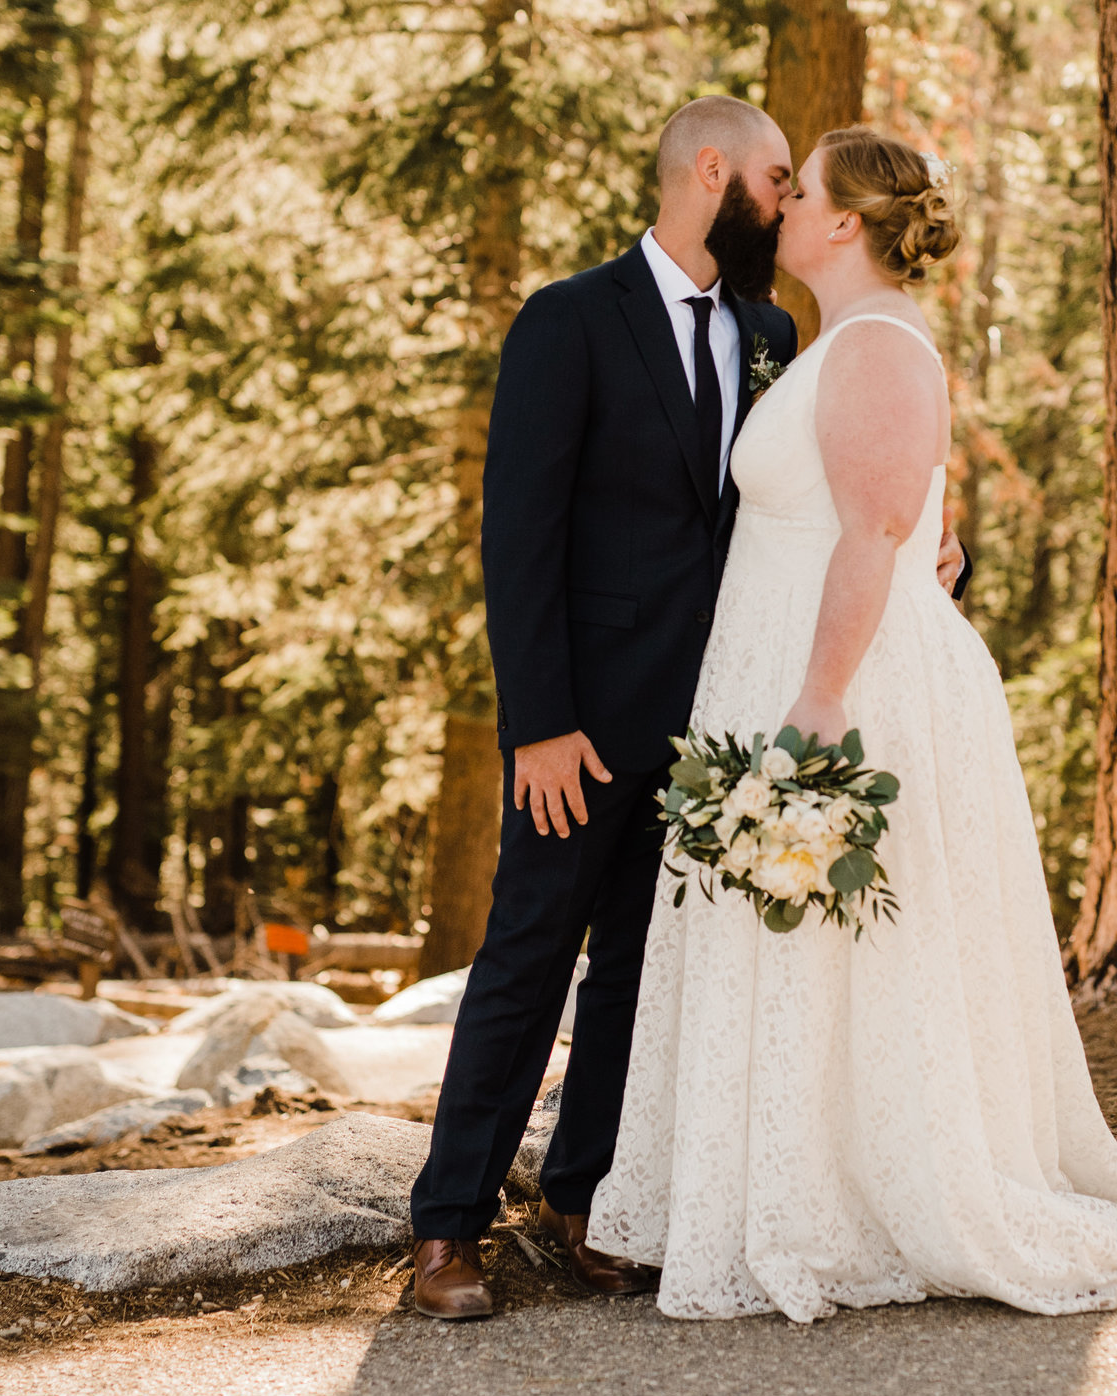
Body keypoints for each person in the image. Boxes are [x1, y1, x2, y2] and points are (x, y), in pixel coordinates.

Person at [584, 125, 1117, 1322]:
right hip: (800, 664)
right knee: (805, 951)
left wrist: (816, 701)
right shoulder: (842, 343)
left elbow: (868, 535)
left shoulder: (871, 342)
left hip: (830, 684)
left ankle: (846, 1205)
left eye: (797, 191)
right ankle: (793, 1189)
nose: (783, 207)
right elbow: (900, 522)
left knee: (835, 941)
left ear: (843, 224)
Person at [406, 99, 966, 1319]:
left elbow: (841, 480)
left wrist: (931, 530)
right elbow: (520, 537)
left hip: (719, 718)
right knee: (528, 955)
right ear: (707, 172)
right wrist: (538, 721)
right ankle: (447, 1227)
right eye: (773, 179)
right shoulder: (568, 321)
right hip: (585, 722)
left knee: (642, 970)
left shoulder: (773, 331)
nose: (782, 203)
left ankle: (588, 1202)